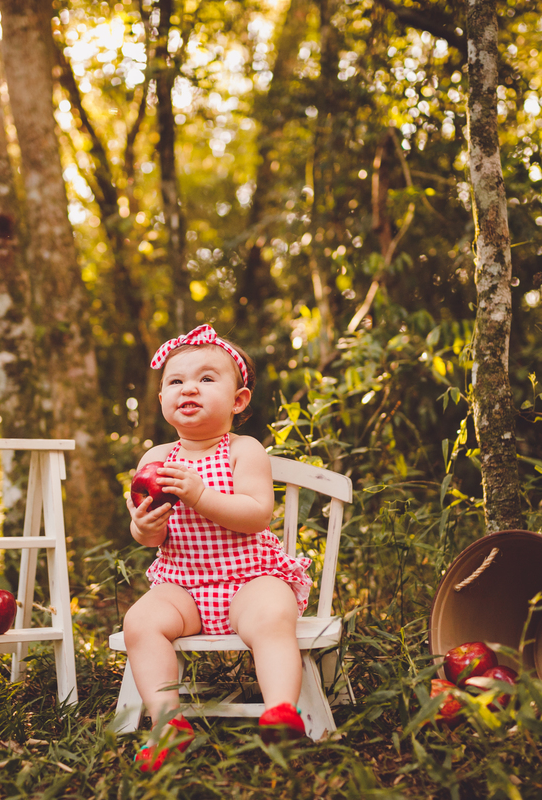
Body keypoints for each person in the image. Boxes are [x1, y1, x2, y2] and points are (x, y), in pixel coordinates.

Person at [123, 324, 312, 771]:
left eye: (207, 379)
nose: (189, 387)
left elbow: (256, 514)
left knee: (271, 616)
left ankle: (281, 711)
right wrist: (144, 527)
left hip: (250, 576)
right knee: (140, 622)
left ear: (238, 400)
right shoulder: (154, 461)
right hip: (182, 583)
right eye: (176, 381)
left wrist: (199, 495)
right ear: (162, 401)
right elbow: (149, 536)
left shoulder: (244, 451)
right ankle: (167, 724)